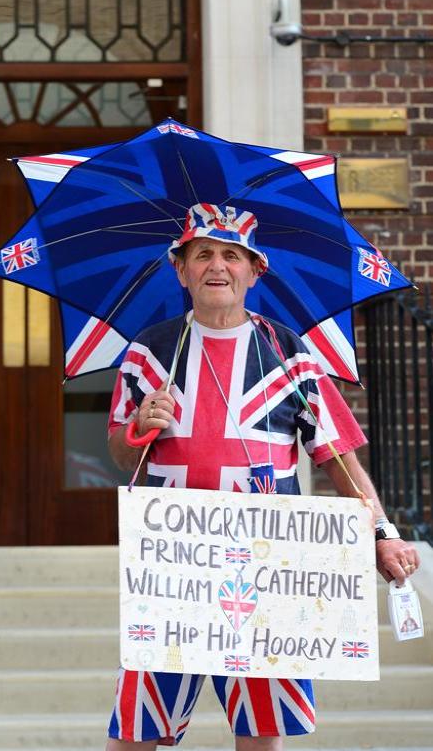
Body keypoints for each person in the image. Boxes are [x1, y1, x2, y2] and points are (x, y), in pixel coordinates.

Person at [105, 202, 420, 751]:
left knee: (262, 728)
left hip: (267, 562)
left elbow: (338, 457)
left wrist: (382, 531)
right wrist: (137, 428)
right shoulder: (149, 353)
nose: (217, 266)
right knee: (138, 726)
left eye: (232, 255)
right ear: (181, 270)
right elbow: (120, 456)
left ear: (256, 269)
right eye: (202, 254)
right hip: (174, 562)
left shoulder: (288, 353)